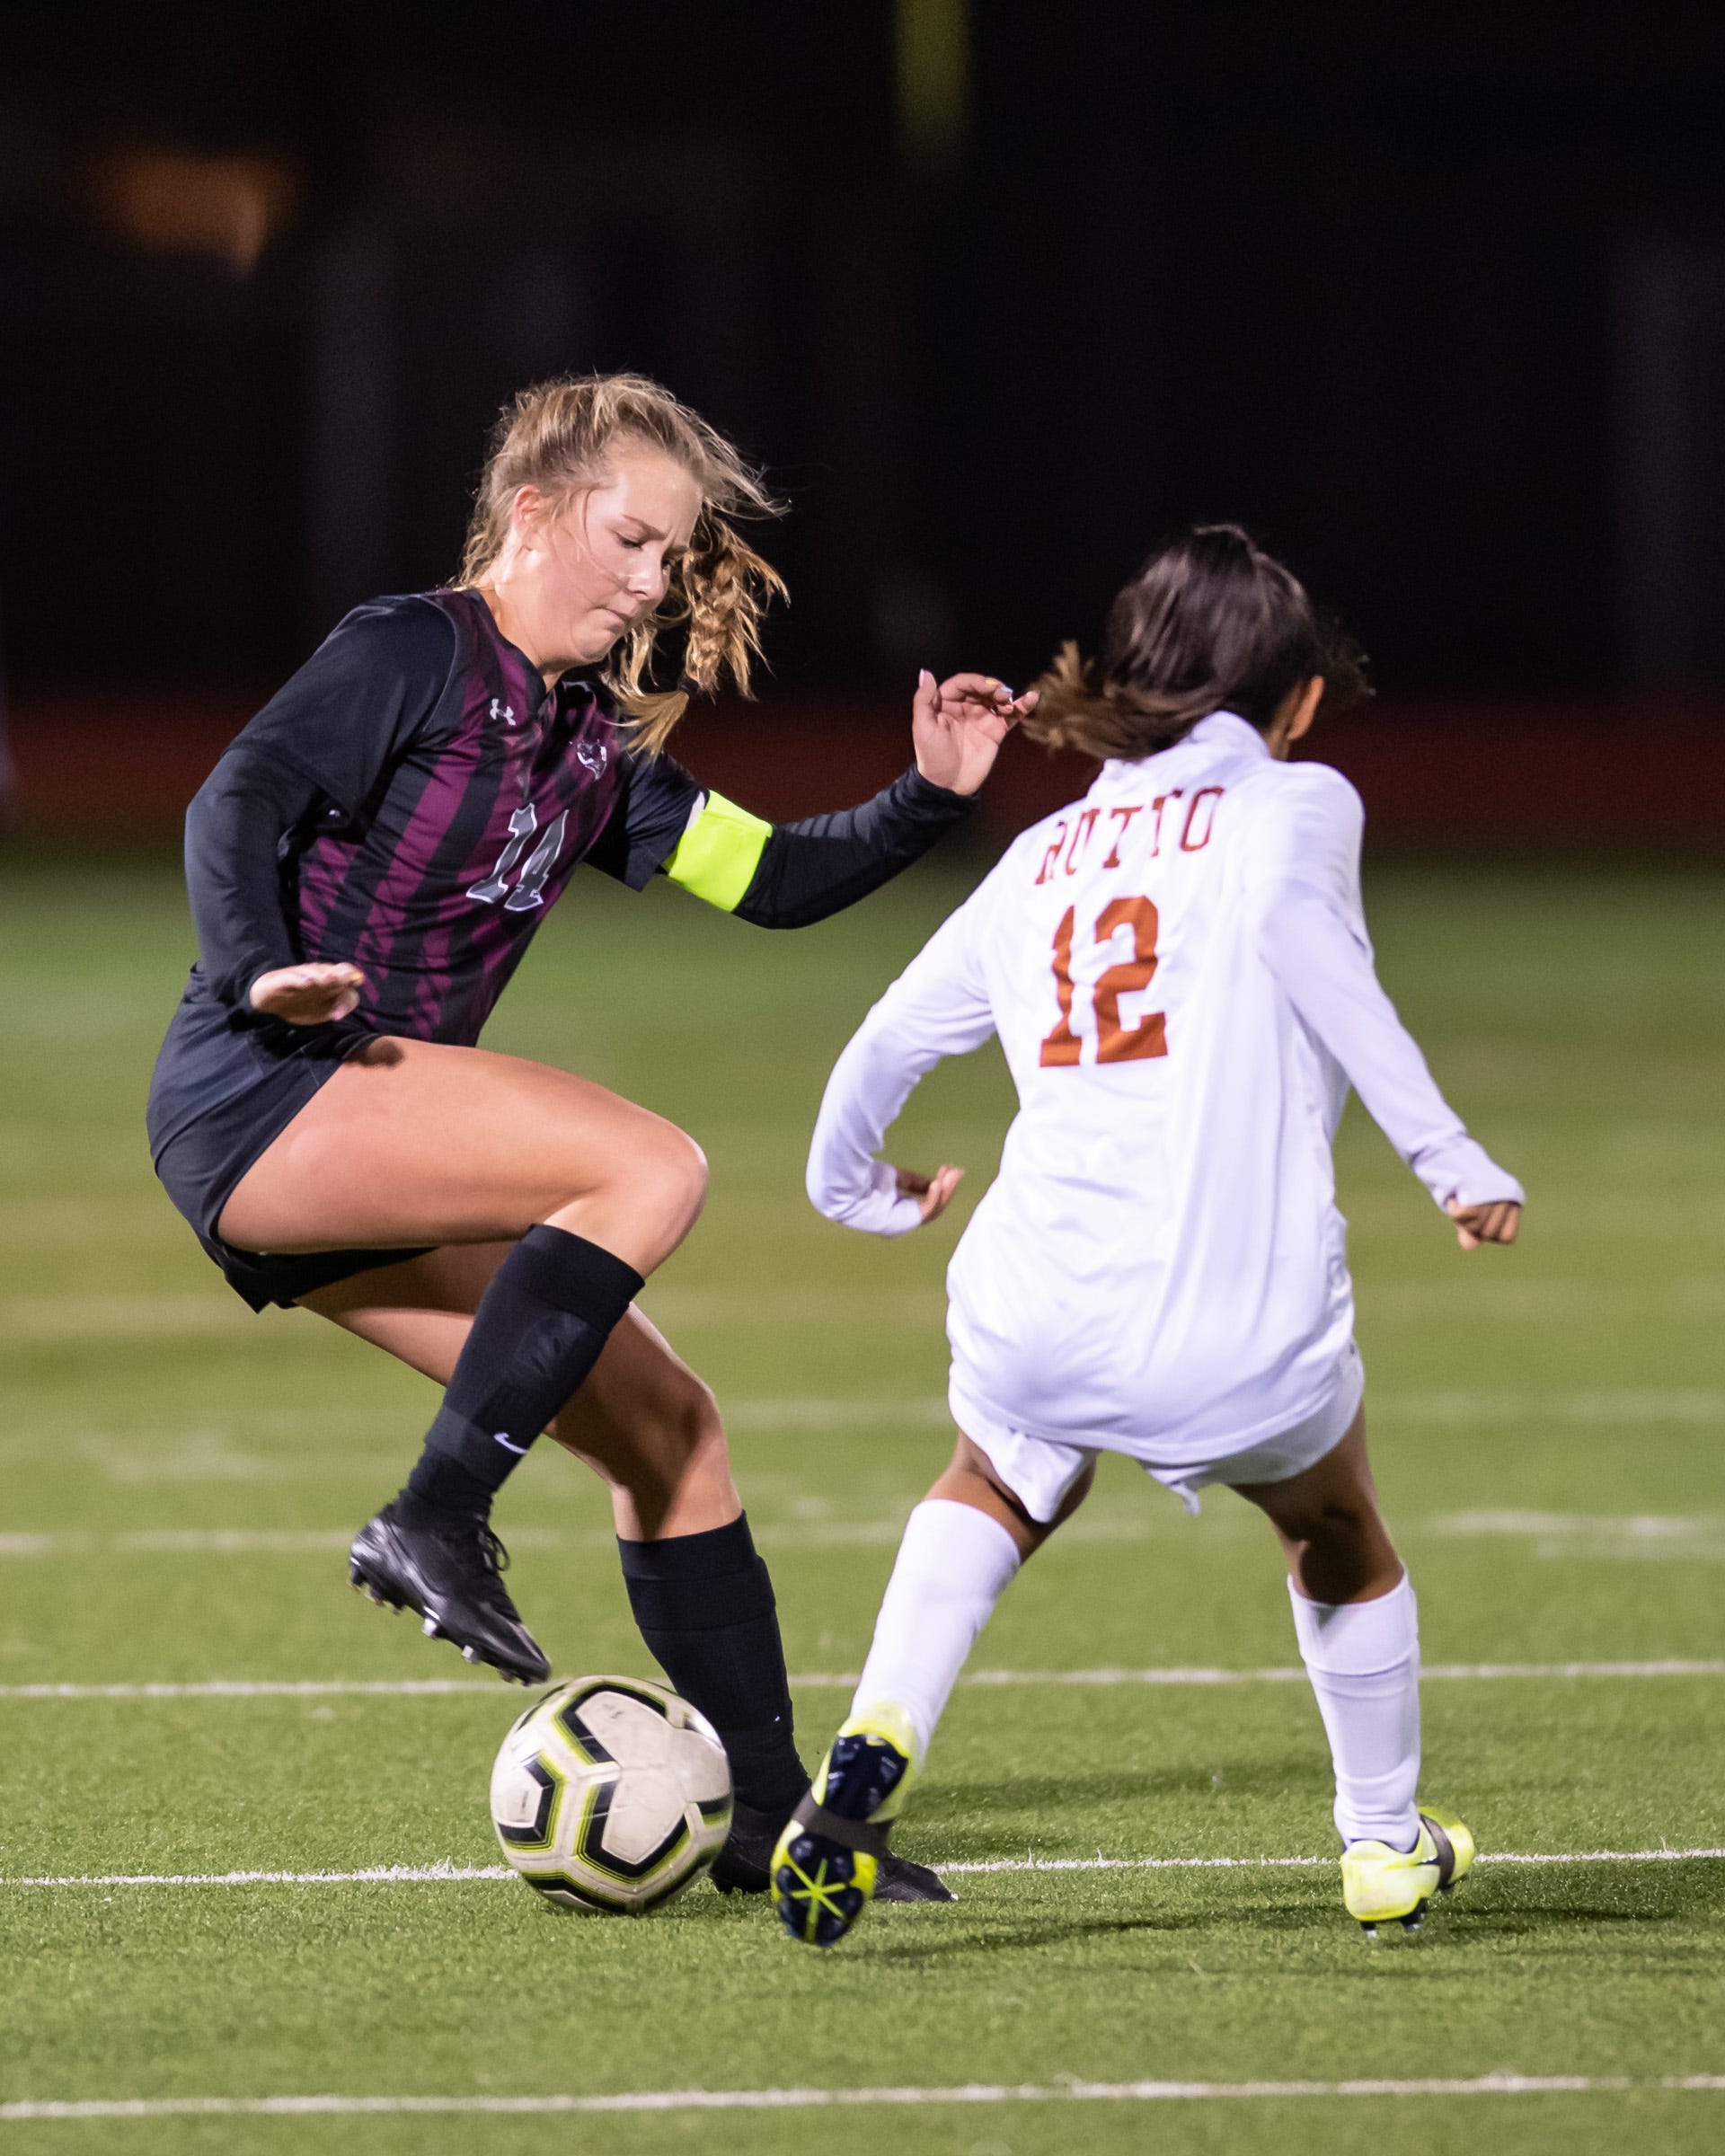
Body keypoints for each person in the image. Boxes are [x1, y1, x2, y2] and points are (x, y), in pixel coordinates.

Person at [146, 371, 1033, 1897]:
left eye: (669, 560)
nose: (649, 584)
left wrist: (925, 800)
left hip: (363, 1133)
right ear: (531, 510)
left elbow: (772, 877)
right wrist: (254, 971)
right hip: (266, 1089)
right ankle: (436, 1514)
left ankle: (771, 1821)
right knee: (647, 1163)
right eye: (630, 541)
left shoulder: (583, 747)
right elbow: (238, 797)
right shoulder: (412, 649)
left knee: (673, 1435)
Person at [772, 525, 1524, 1947]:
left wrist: (846, 1188)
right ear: (1295, 701)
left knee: (996, 1476)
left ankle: (878, 1729)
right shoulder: (1298, 807)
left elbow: (884, 1042)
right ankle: (1382, 1845)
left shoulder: (1046, 847)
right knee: (1335, 1525)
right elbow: (1325, 965)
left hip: (1036, 1301)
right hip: (1235, 1322)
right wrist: (1449, 1154)